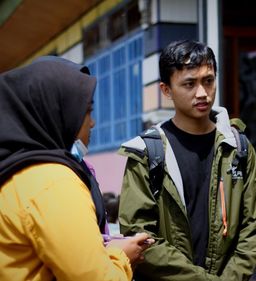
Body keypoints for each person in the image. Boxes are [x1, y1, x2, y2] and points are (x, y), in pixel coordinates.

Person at [118, 39, 256, 280]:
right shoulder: (147, 152)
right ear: (166, 90)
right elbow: (139, 234)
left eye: (208, 81)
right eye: (189, 83)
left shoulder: (238, 147)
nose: (202, 93)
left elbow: (253, 227)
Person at [0, 56, 153, 281]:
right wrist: (122, 257)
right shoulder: (53, 182)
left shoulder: (18, 173)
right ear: (55, 113)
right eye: (86, 111)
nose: (92, 122)